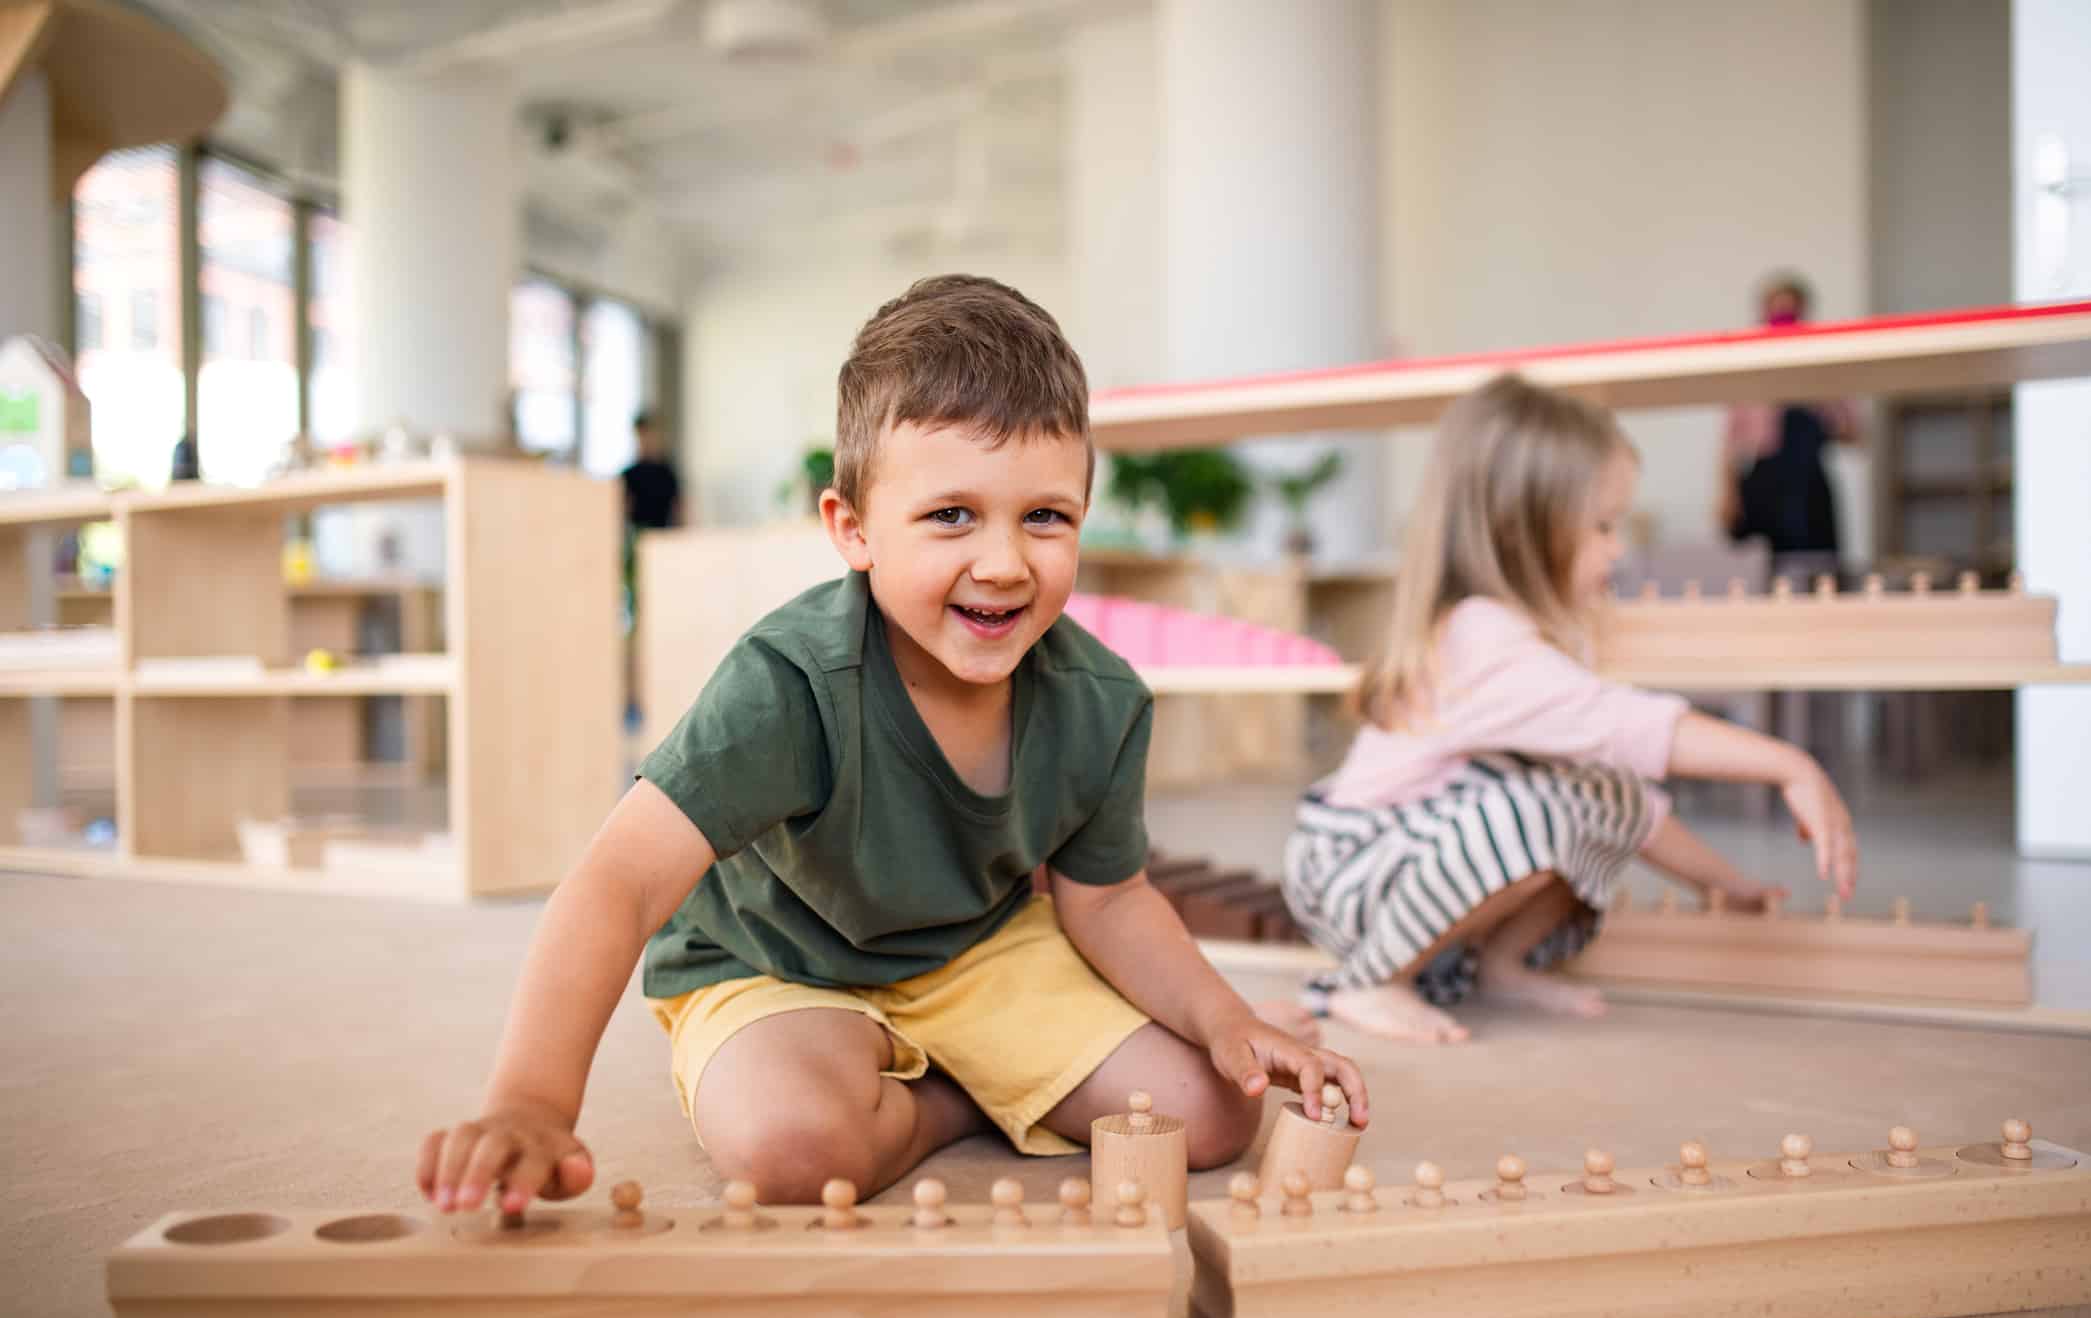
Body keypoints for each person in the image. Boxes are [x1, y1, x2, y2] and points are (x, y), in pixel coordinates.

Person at [417, 275, 1364, 1218]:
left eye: (1044, 516)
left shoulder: (1100, 701)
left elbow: (1109, 899)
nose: (1002, 563)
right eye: (951, 514)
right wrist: (532, 1102)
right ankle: (945, 1105)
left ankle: (954, 1073)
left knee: (1206, 1114)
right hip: (774, 964)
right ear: (853, 529)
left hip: (976, 953)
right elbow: (617, 880)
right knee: (791, 1155)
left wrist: (1226, 1019)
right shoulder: (788, 682)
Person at [1281, 373, 1859, 1047]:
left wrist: (1722, 885)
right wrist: (1789, 765)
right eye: (1603, 526)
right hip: (1347, 875)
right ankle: (1366, 983)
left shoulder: (1523, 638)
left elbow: (1627, 799)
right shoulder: (1481, 639)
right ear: (1525, 531)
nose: (1617, 547)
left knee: (1592, 790)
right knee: (1537, 811)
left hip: (1405, 866)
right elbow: (1630, 726)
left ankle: (1498, 964)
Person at [1718, 272, 1861, 561]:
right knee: (1764, 568)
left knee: (1819, 566)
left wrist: (1818, 397)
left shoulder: (1826, 366)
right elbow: (1731, 444)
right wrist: (1727, 495)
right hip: (1765, 482)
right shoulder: (1747, 369)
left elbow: (1854, 435)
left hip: (1809, 484)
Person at [620, 412, 683, 533]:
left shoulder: (667, 472)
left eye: (650, 434)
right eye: (642, 435)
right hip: (637, 535)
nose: (646, 440)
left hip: (663, 536)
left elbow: (679, 508)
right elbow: (623, 509)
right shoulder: (630, 474)